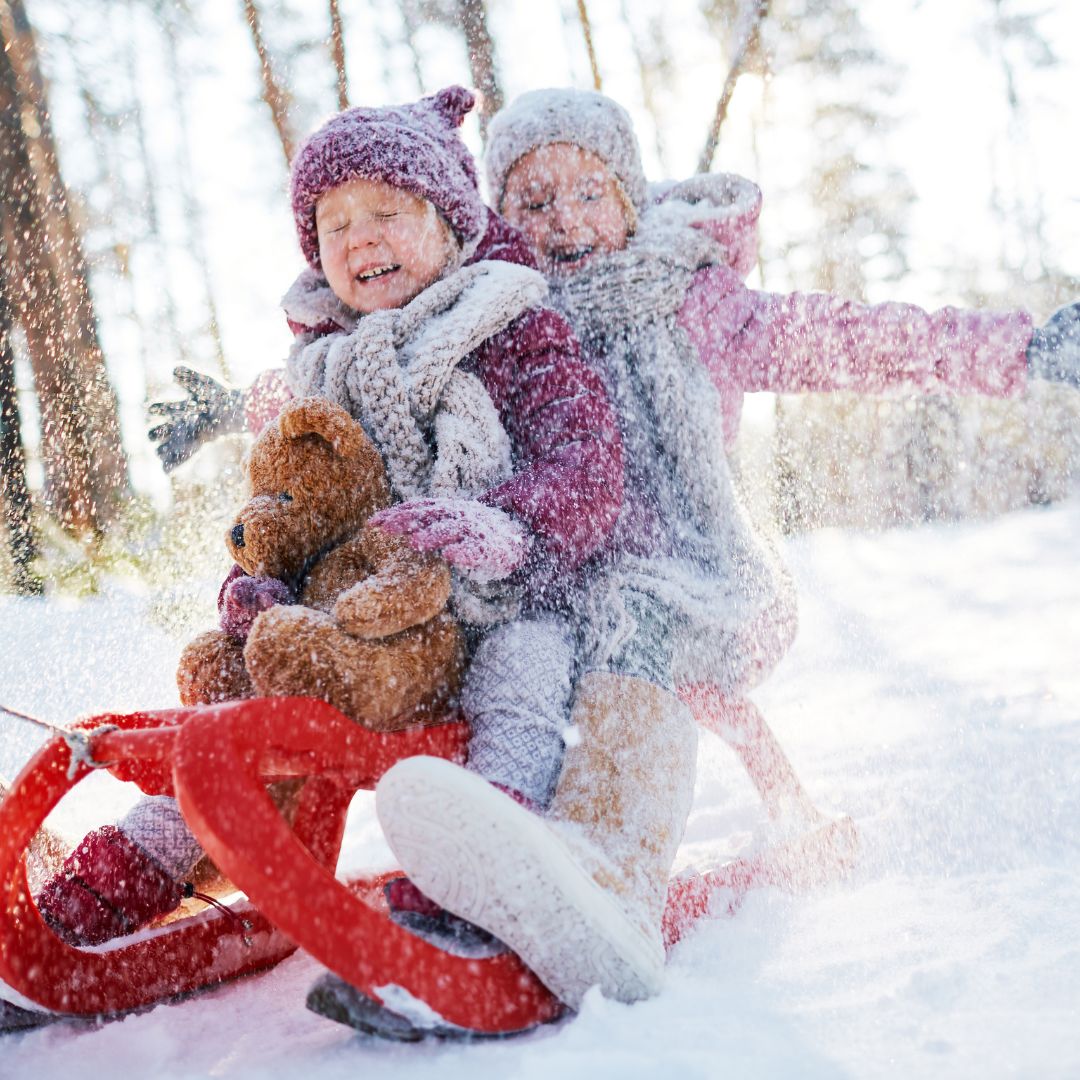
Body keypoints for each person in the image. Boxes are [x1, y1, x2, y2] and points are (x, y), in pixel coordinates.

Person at [368, 87, 1080, 1020]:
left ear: (630, 196)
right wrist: (246, 414)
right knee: (488, 639)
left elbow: (851, 339)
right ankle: (497, 839)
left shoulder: (696, 304)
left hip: (690, 582)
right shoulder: (503, 322)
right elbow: (378, 366)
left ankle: (605, 870)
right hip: (543, 578)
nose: (564, 221)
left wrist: (1020, 349)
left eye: (588, 191)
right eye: (533, 203)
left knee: (631, 621)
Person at [14, 87, 621, 977]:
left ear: (451, 222)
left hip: (501, 600)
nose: (360, 238)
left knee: (519, 684)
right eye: (334, 225)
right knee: (245, 708)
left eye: (387, 211)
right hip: (359, 621)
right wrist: (258, 579)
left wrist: (502, 524)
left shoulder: (513, 327)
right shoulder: (320, 363)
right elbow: (290, 506)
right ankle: (137, 865)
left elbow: (588, 467)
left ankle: (493, 862)